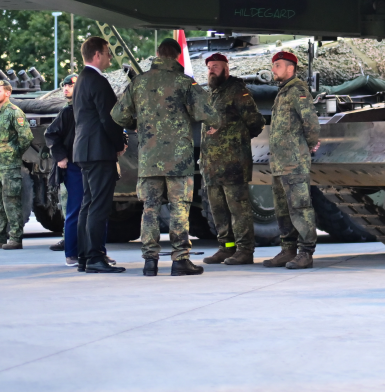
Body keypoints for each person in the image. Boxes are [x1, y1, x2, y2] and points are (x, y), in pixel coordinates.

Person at [112, 38, 219, 276]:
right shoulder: (185, 83)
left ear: (158, 54)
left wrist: (136, 122)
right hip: (178, 161)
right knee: (179, 208)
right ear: (177, 57)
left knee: (149, 209)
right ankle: (180, 260)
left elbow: (118, 116)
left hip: (149, 158)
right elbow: (211, 114)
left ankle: (150, 261)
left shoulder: (139, 82)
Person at [201, 53, 266, 266]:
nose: (211, 70)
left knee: (238, 209)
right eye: (209, 67)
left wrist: (236, 141)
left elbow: (255, 122)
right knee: (218, 210)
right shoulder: (212, 94)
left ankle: (245, 250)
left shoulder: (238, 91)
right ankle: (226, 248)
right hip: (212, 166)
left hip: (233, 164)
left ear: (226, 69)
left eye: (216, 66)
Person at [262, 51, 321, 270]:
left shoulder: (297, 90)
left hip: (294, 162)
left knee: (300, 207)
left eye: (277, 65)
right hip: (279, 163)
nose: (273, 69)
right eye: (273, 65)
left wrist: (311, 143)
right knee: (282, 209)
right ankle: (288, 250)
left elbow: (310, 121)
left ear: (290, 68)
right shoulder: (282, 92)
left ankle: (306, 253)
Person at [73, 36, 126, 273]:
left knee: (87, 204)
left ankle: (85, 256)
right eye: (107, 53)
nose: (109, 57)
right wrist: (119, 143)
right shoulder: (98, 81)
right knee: (99, 206)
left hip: (84, 150)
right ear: (97, 55)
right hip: (99, 151)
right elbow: (110, 118)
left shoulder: (81, 80)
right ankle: (95, 257)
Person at [0, 82, 33, 250]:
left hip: (9, 166)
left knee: (11, 201)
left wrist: (13, 153)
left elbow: (26, 137)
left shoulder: (14, 113)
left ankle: (15, 238)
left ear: (7, 94)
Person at [44, 74, 83, 265]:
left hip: (90, 164)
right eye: (64, 85)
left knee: (94, 210)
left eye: (71, 85)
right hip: (74, 166)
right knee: (74, 210)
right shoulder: (67, 113)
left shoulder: (87, 108)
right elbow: (51, 134)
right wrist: (60, 157)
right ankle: (71, 253)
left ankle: (94, 251)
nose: (66, 88)